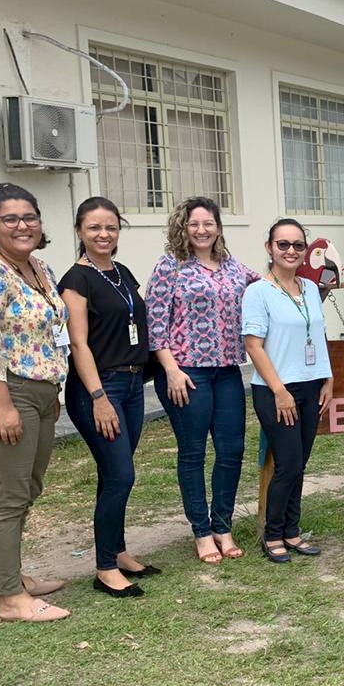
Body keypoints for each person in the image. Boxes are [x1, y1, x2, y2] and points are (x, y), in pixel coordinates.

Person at [0, 184, 70, 622]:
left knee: (28, 487)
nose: (22, 226)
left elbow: (49, 333)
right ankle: (10, 599)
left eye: (29, 217)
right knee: (4, 497)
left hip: (40, 391)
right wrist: (1, 405)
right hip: (5, 392)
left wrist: (52, 389)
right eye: (10, 219)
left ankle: (15, 576)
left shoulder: (38, 267)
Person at [146, 197, 258, 564]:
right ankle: (201, 531)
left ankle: (222, 525)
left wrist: (312, 284)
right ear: (183, 226)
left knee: (231, 450)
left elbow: (267, 289)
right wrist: (171, 370)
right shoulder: (170, 266)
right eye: (194, 223)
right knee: (192, 453)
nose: (201, 230)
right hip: (186, 373)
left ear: (218, 227)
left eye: (208, 223)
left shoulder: (232, 267)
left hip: (227, 371)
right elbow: (155, 324)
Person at [60, 197, 159, 597]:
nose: (104, 234)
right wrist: (98, 396)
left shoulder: (121, 272)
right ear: (80, 231)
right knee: (121, 474)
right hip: (99, 389)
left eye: (111, 227)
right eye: (95, 228)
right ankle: (104, 569)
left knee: (113, 473)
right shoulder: (76, 279)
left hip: (133, 386)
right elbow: (78, 344)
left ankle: (116, 551)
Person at [242, 218, 333, 563]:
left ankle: (292, 532)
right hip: (275, 389)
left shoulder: (309, 288)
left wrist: (329, 378)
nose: (291, 251)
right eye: (283, 244)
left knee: (301, 462)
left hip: (311, 385)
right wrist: (280, 391)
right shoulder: (258, 292)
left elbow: (317, 334)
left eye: (298, 245)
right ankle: (273, 534)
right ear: (270, 248)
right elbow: (253, 346)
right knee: (287, 462)